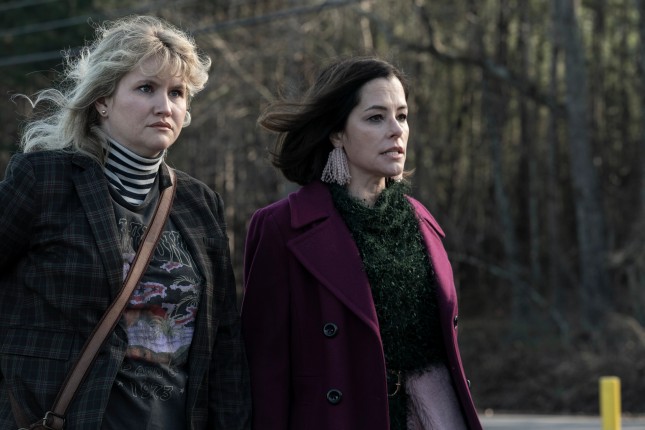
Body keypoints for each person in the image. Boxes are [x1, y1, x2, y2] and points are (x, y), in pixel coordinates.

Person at [0, 15, 251, 429]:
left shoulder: (199, 203)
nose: (164, 106)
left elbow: (224, 346)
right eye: (146, 88)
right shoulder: (44, 180)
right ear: (102, 100)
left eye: (177, 93)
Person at [241, 56, 482, 430]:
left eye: (402, 116)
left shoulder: (422, 222)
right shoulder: (282, 227)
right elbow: (265, 370)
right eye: (376, 118)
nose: (396, 130)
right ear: (337, 133)